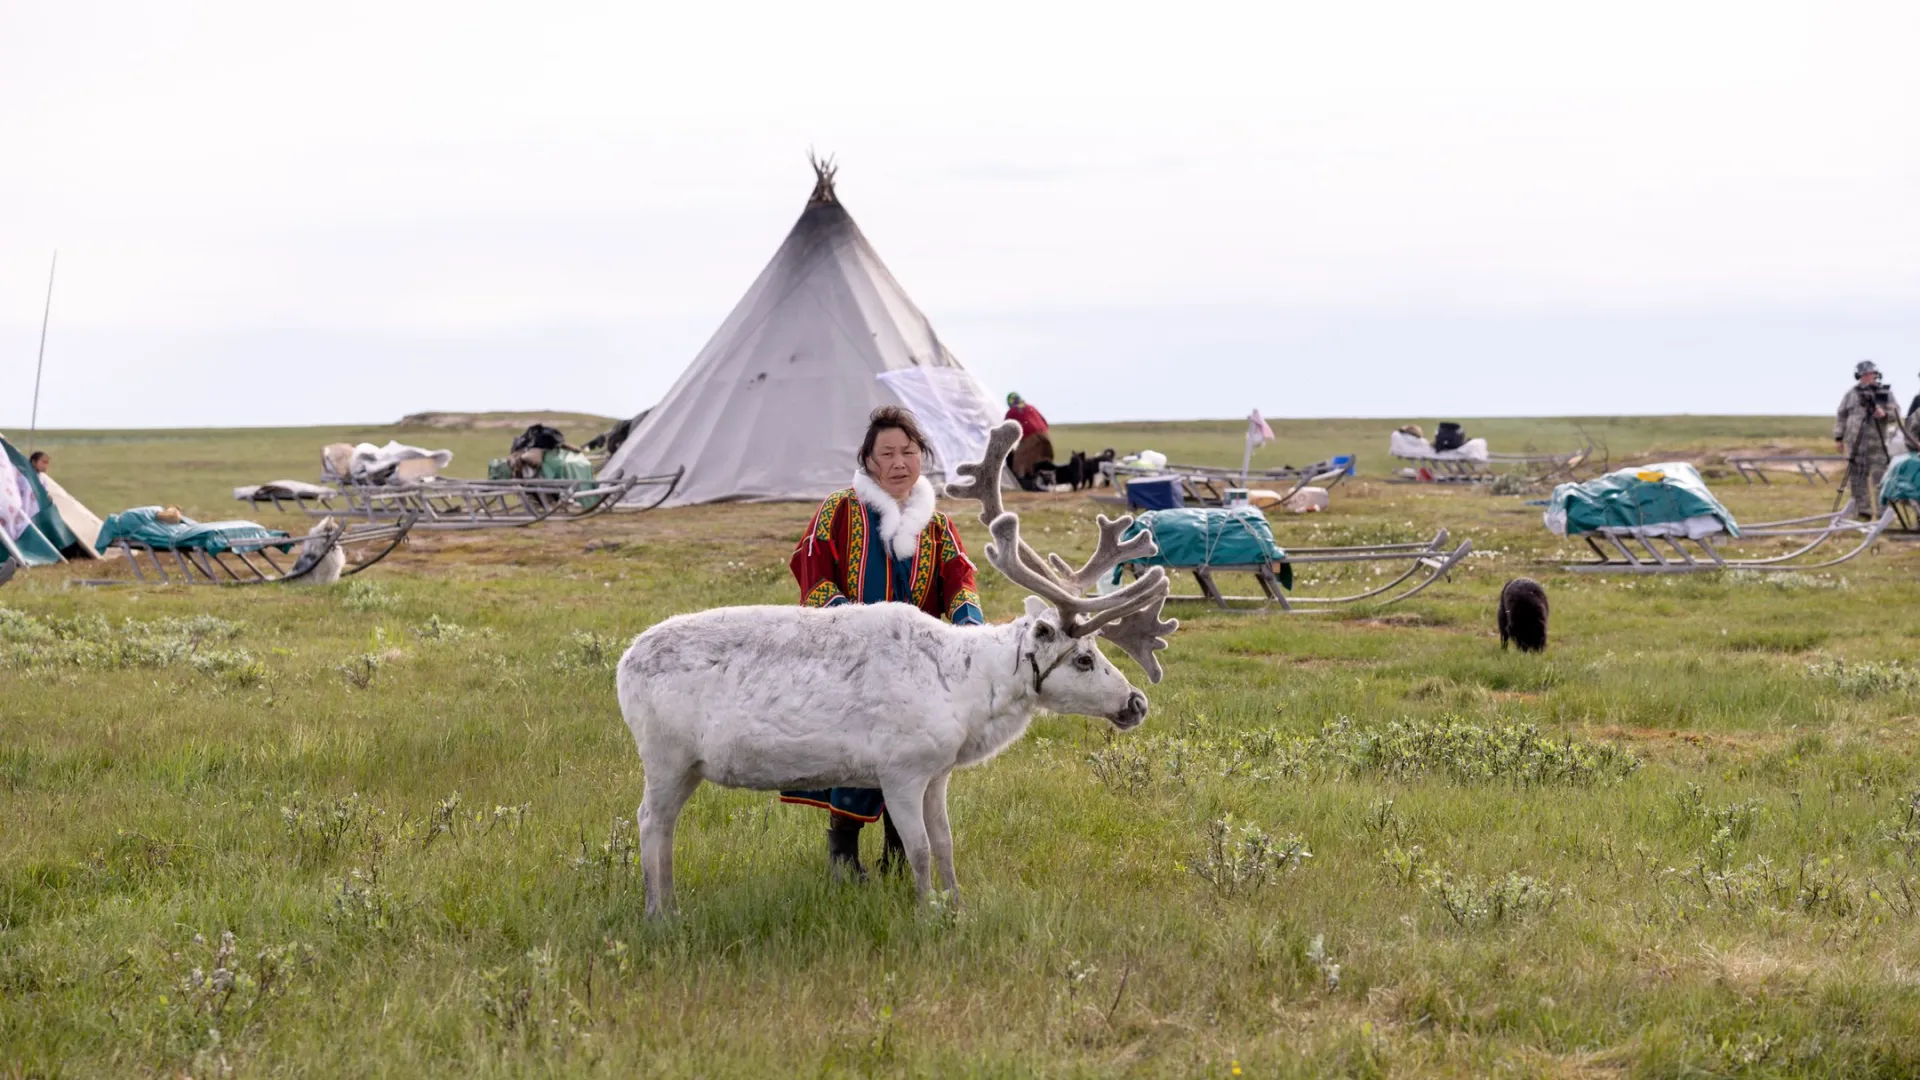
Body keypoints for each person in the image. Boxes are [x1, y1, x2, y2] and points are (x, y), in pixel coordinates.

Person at [781, 405, 985, 880]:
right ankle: (842, 853)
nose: (898, 463)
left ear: (921, 457)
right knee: (850, 755)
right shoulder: (839, 509)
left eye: (908, 452)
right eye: (886, 453)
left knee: (911, 756)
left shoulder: (937, 525)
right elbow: (813, 575)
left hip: (917, 671)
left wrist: (969, 631)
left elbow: (960, 580)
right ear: (868, 460)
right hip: (849, 663)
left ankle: (899, 852)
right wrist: (852, 628)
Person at [1835, 361, 1896, 519]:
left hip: (1877, 446)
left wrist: (1884, 414)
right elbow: (1841, 415)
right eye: (1864, 374)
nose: (1868, 377)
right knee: (1857, 479)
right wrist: (1838, 437)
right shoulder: (1851, 394)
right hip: (1855, 444)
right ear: (1859, 376)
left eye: (1871, 374)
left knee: (1881, 479)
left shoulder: (1885, 394)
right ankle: (1863, 511)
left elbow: (1896, 414)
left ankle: (1884, 512)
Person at [1004, 393, 1054, 491]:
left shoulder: (1012, 411)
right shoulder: (1031, 407)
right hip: (1045, 435)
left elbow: (1006, 428)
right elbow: (1044, 421)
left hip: (1030, 436)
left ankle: (1025, 484)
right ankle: (1045, 481)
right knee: (1040, 460)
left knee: (1019, 461)